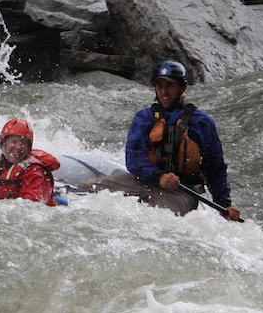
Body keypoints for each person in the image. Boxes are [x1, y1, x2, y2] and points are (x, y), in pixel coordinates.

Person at [87, 60, 240, 220]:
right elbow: (134, 158)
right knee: (85, 190)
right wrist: (158, 176)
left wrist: (224, 203)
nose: (164, 91)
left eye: (169, 86)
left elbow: (215, 167)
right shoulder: (144, 117)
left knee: (159, 219)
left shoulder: (202, 122)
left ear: (182, 88)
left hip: (182, 191)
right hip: (142, 181)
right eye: (159, 86)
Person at [0, 119, 61, 206]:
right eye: (13, 141)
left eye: (24, 143)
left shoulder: (34, 171)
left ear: (29, 147)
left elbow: (31, 206)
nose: (18, 147)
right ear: (3, 143)